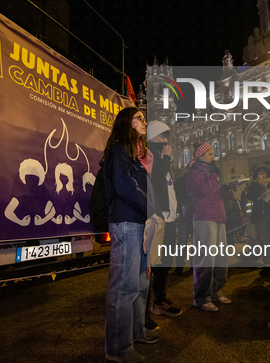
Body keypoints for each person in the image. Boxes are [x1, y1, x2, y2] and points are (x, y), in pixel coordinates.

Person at [102, 107, 162, 363]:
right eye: (139, 118)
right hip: (126, 224)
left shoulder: (136, 154)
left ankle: (137, 332)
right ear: (128, 122)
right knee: (123, 288)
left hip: (140, 223)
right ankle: (117, 348)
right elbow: (125, 185)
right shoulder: (118, 149)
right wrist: (150, 207)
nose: (144, 121)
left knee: (140, 284)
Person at [186, 143, 231, 312]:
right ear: (200, 155)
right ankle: (201, 297)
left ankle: (216, 291)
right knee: (206, 259)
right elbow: (202, 190)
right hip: (204, 218)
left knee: (221, 258)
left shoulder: (212, 174)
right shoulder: (193, 173)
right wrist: (213, 176)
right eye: (210, 153)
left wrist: (227, 189)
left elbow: (214, 192)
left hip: (218, 216)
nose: (213, 156)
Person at [146, 121, 182, 317]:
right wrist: (166, 159)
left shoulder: (163, 159)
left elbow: (169, 189)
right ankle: (149, 305)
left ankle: (159, 301)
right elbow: (156, 181)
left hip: (170, 219)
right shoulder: (151, 157)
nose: (166, 141)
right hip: (158, 220)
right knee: (154, 263)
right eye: (162, 137)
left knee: (165, 262)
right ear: (152, 138)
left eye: (167, 137)